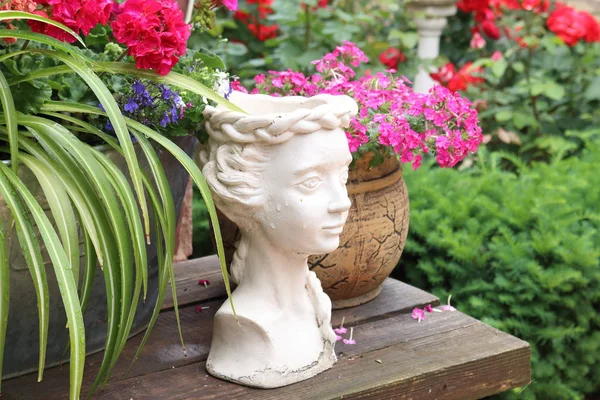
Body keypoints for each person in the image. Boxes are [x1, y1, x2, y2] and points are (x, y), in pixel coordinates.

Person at [197, 91, 357, 388]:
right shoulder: (246, 323)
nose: (341, 202)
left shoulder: (316, 301)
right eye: (311, 182)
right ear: (243, 194)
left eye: (343, 177)